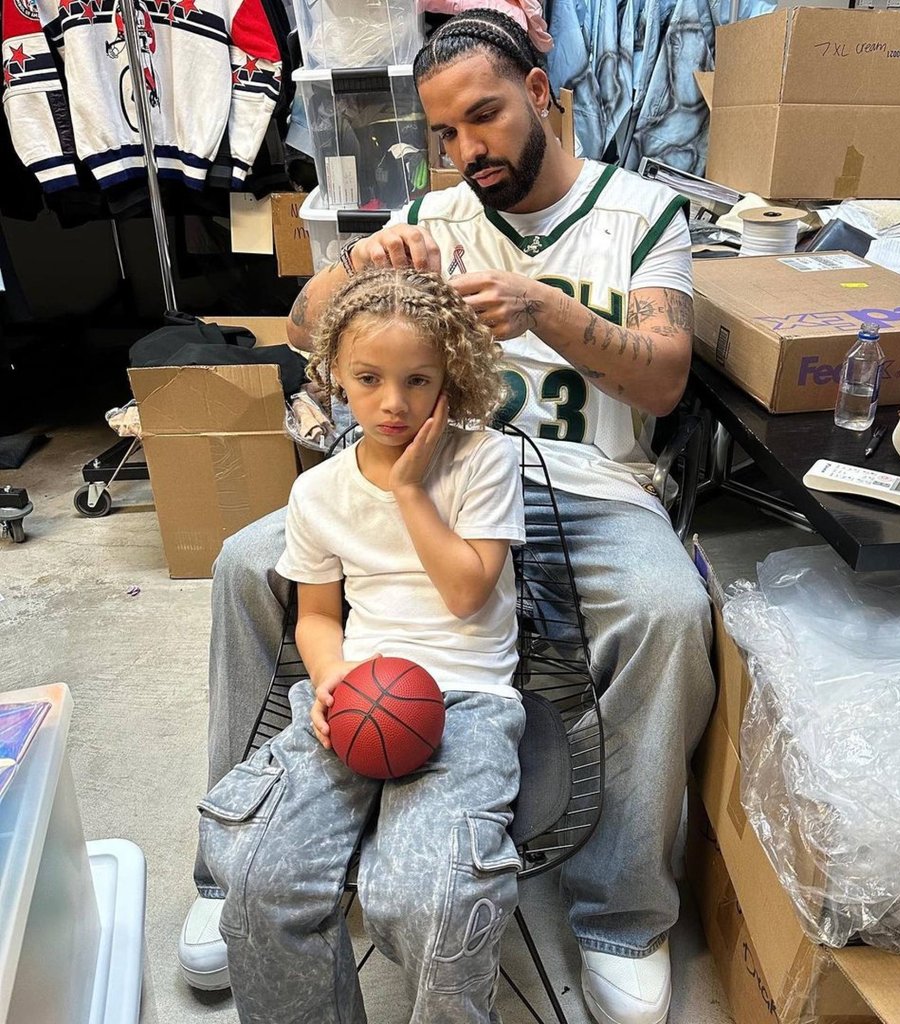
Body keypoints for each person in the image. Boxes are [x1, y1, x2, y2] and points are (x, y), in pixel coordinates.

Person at [178, 11, 716, 1024]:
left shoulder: (641, 214)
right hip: (423, 463)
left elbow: (663, 380)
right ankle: (232, 867)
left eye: (485, 117)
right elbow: (308, 330)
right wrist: (356, 267)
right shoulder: (433, 214)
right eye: (445, 136)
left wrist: (545, 309)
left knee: (666, 611)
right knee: (248, 565)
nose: (468, 152)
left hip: (585, 481)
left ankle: (619, 910)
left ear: (540, 95)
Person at [198, 267, 527, 1023]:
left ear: (454, 377)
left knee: (430, 894)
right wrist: (333, 676)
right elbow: (316, 616)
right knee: (260, 873)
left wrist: (411, 491)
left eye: (418, 380)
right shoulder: (317, 492)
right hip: (359, 689)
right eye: (369, 379)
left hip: (467, 698)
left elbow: (468, 592)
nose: (393, 403)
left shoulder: (481, 461)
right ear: (334, 377)